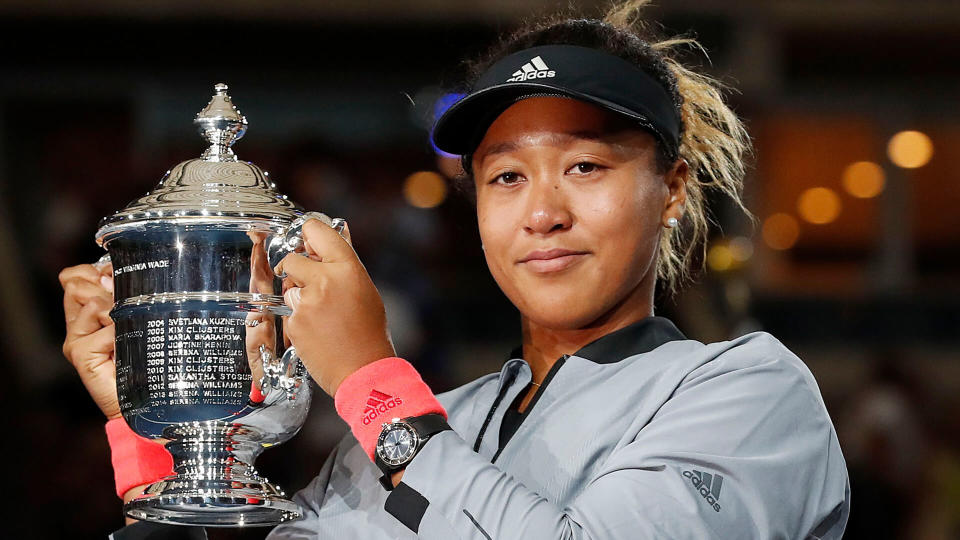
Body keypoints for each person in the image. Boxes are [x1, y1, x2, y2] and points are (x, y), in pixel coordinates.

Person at [60, 2, 850, 538]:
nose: (542, 212)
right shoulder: (421, 425)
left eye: (585, 167)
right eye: (507, 177)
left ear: (671, 190)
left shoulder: (748, 391)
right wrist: (164, 438)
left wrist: (372, 382)